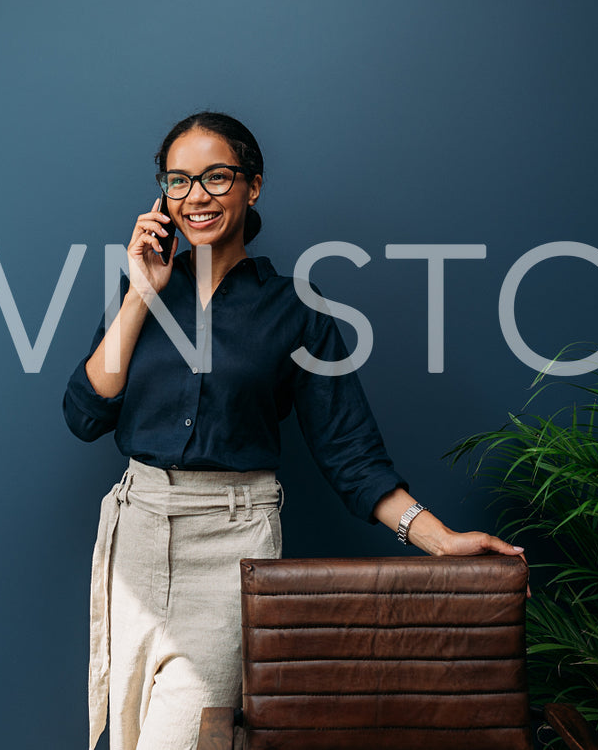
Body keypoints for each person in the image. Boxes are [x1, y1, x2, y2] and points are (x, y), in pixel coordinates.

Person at [62, 111, 524, 750]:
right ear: (161, 198)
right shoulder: (141, 294)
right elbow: (85, 414)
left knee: (184, 735)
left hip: (229, 543)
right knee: (131, 738)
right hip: (135, 537)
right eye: (178, 181)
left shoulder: (298, 313)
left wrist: (441, 541)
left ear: (253, 187)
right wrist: (141, 291)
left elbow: (352, 455)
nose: (196, 196)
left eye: (216, 177)